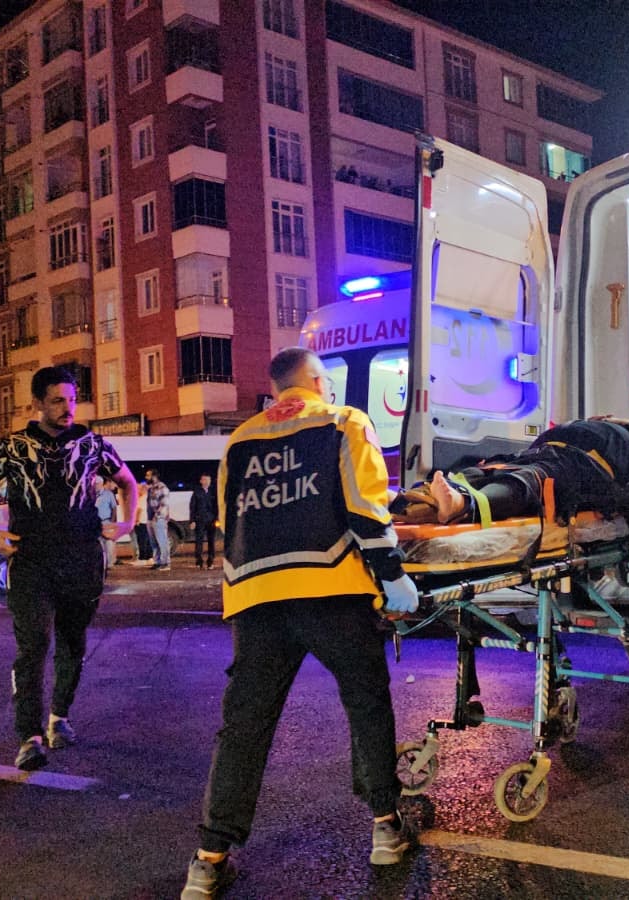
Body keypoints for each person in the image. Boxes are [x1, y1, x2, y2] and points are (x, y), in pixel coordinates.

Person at [180, 348, 419, 898]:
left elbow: (228, 519)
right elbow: (366, 507)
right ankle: (386, 827)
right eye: (326, 380)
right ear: (314, 380)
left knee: (244, 726)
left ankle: (208, 860)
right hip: (329, 587)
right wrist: (391, 574)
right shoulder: (343, 421)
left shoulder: (240, 440)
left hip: (255, 596)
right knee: (365, 700)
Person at [0, 366, 139, 772]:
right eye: (58, 400)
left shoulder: (93, 445)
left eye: (72, 399)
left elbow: (128, 482)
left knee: (73, 643)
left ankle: (59, 718)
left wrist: (127, 523)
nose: (68, 408)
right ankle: (29, 737)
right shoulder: (13, 447)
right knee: (33, 646)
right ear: (38, 403)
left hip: (82, 560)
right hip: (31, 561)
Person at [394, 418, 629, 526]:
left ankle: (433, 501)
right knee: (516, 472)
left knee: (507, 470)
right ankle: (438, 501)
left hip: (566, 449)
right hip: (572, 455)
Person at [144, 468, 172, 570]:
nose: (146, 477)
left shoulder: (162, 487)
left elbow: (164, 503)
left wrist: (157, 515)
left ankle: (165, 562)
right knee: (154, 542)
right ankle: (157, 561)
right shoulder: (151, 488)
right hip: (150, 517)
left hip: (158, 518)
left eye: (148, 475)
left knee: (162, 540)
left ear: (154, 476)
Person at [189, 473, 216, 569]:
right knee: (199, 541)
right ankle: (199, 561)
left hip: (211, 520)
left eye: (208, 480)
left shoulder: (213, 491)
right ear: (201, 481)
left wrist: (217, 518)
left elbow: (217, 506)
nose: (207, 482)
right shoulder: (197, 492)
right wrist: (192, 520)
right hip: (199, 519)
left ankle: (210, 561)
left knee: (211, 541)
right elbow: (192, 507)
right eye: (204, 480)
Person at [96, 477, 119, 571]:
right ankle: (102, 564)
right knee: (99, 543)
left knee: (109, 543)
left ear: (101, 484)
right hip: (96, 522)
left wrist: (113, 522)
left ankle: (109, 563)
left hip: (106, 521)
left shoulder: (108, 494)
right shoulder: (92, 494)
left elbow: (114, 508)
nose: (95, 485)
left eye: (97, 483)